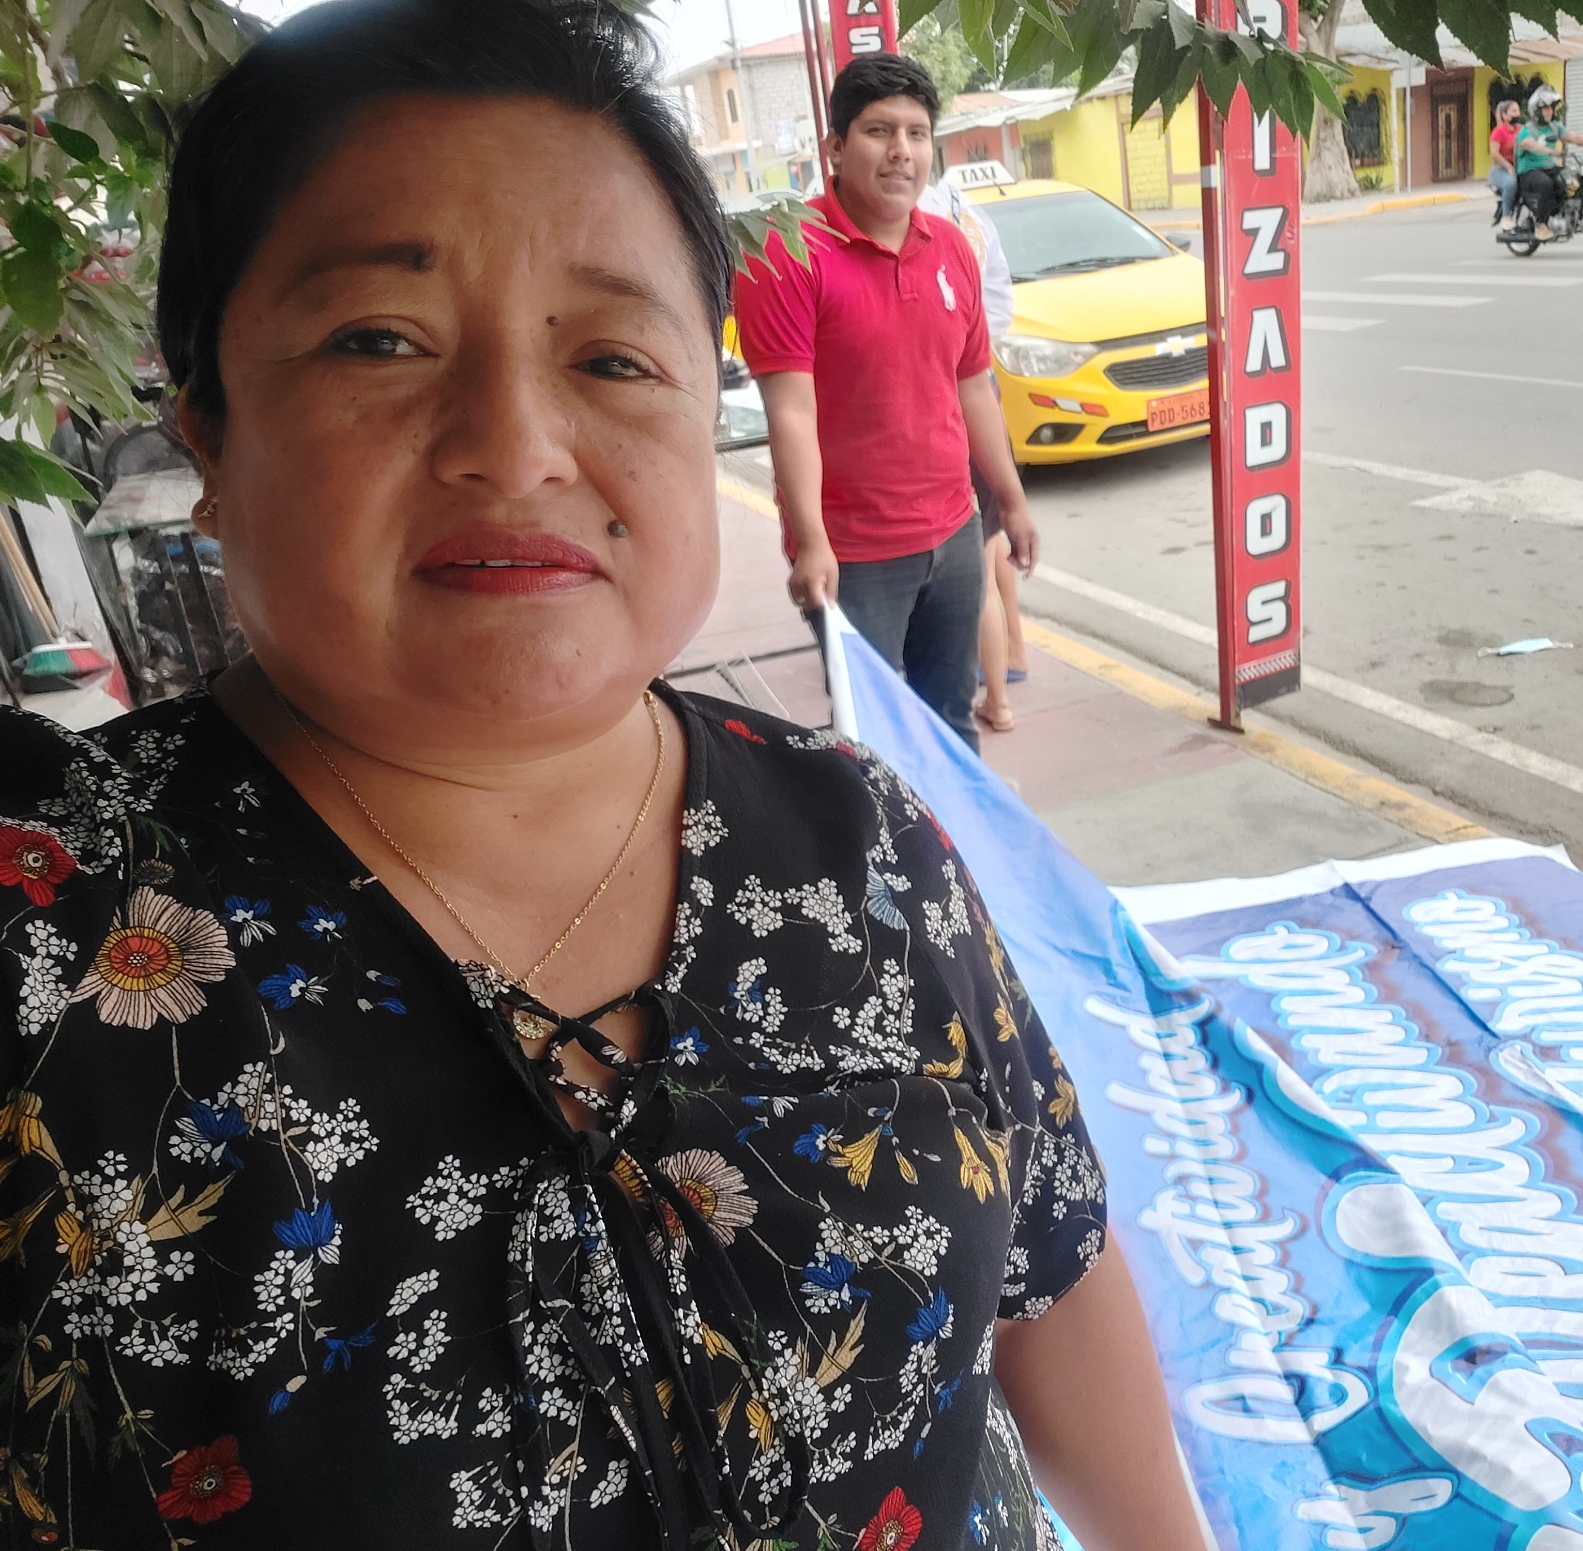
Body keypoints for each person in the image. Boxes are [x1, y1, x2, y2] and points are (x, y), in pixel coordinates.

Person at [0, 3, 1206, 1547]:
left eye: (615, 356)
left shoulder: (862, 837)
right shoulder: (48, 939)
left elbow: (1049, 1260)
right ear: (206, 433)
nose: (517, 447)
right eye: (380, 339)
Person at [734, 57, 1035, 752]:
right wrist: (811, 541)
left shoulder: (951, 247)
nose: (902, 150)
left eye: (917, 133)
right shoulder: (786, 253)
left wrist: (1011, 500)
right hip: (854, 551)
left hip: (954, 531)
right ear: (836, 148)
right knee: (870, 739)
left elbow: (973, 386)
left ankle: (950, 828)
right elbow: (791, 411)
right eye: (879, 131)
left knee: (951, 720)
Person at [915, 176, 1026, 734]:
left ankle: (998, 701)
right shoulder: (970, 214)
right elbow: (1001, 305)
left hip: (952, 400)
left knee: (974, 564)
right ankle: (1015, 654)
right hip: (982, 386)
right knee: (991, 542)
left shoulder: (917, 225)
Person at [1515, 84, 1583, 241]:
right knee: (1546, 184)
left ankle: (1568, 217)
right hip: (1529, 171)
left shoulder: (1554, 127)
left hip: (1550, 167)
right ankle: (1541, 224)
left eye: (1551, 108)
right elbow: (1528, 144)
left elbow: (1574, 137)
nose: (1549, 111)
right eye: (1546, 108)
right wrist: (1550, 151)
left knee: (1573, 180)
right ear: (1537, 111)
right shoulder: (1528, 130)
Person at [1488, 98, 1523, 233]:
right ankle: (1506, 216)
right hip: (1501, 169)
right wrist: (1508, 166)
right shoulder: (1499, 132)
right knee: (1511, 183)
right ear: (1504, 115)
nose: (1517, 114)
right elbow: (1494, 154)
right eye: (1513, 111)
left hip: (1519, 166)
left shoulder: (1521, 130)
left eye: (1518, 110)